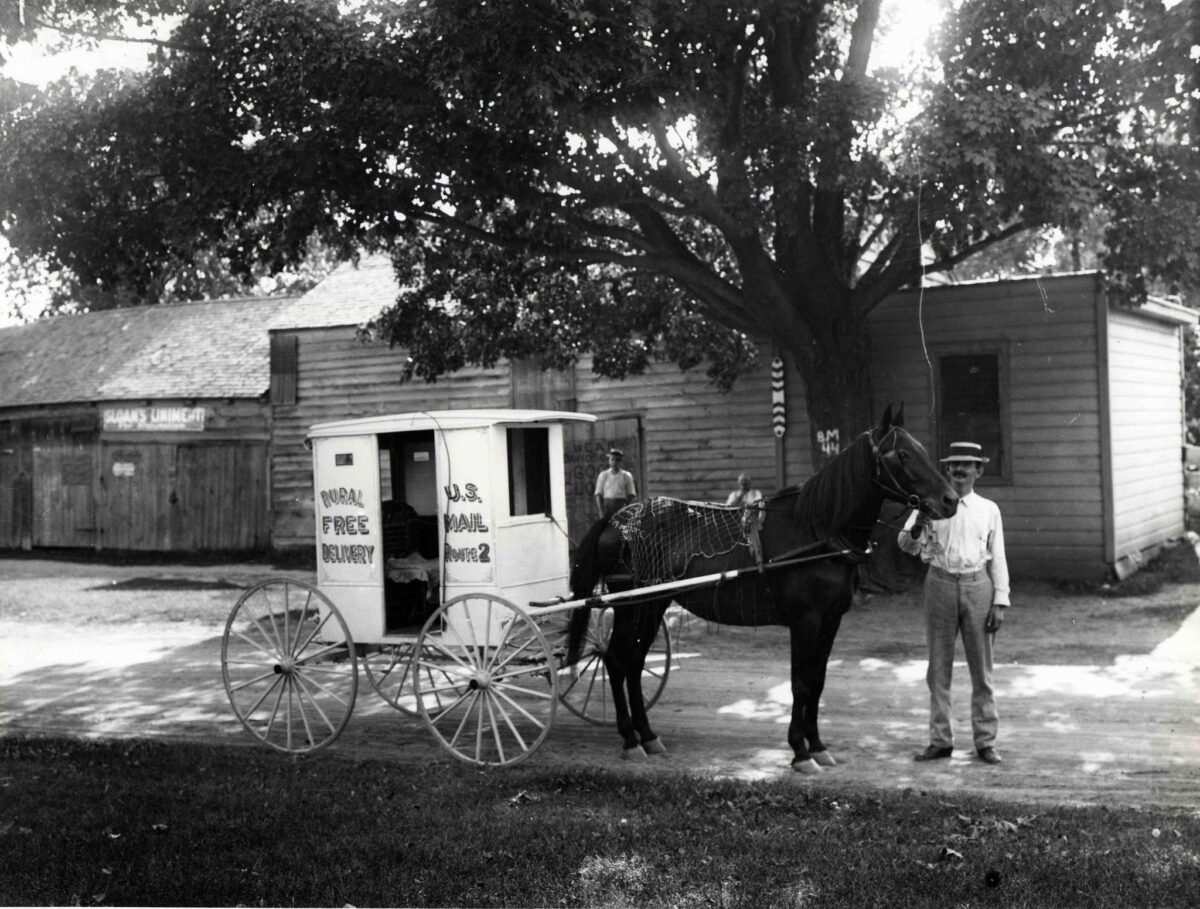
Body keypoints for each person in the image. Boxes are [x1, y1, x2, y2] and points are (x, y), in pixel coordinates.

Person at [899, 441, 1010, 766]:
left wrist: (1000, 600)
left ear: (979, 470)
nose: (959, 471)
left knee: (982, 670)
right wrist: (919, 519)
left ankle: (986, 742)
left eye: (967, 465)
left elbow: (999, 558)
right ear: (946, 469)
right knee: (938, 668)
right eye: (953, 465)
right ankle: (940, 740)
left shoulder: (988, 509)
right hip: (940, 584)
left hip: (978, 586)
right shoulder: (930, 505)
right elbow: (905, 545)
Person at [594, 448, 637, 519]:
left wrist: (626, 510)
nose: (614, 462)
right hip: (607, 509)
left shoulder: (626, 476)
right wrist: (601, 512)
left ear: (621, 462)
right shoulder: (604, 475)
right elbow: (598, 494)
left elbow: (631, 495)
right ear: (609, 460)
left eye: (617, 460)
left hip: (621, 508)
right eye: (612, 459)